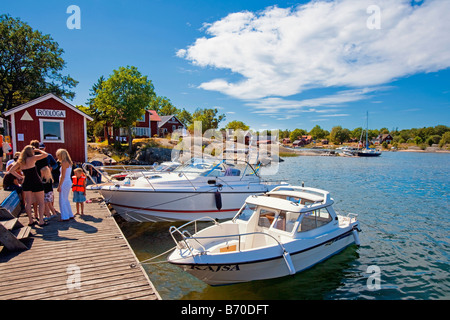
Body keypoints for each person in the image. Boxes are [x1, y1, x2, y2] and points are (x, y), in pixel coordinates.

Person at [8, 145, 48, 226]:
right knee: (41, 201)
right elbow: (45, 154)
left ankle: (30, 220)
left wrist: (20, 177)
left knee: (28, 202)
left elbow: (11, 170)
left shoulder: (20, 161)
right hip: (36, 181)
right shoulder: (32, 158)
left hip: (26, 181)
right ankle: (41, 220)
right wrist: (38, 150)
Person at [56, 148, 74, 221]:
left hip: (64, 182)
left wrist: (59, 185)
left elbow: (63, 176)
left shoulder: (64, 163)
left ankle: (65, 216)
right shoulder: (69, 162)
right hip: (68, 181)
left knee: (62, 200)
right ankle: (70, 214)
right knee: (66, 199)